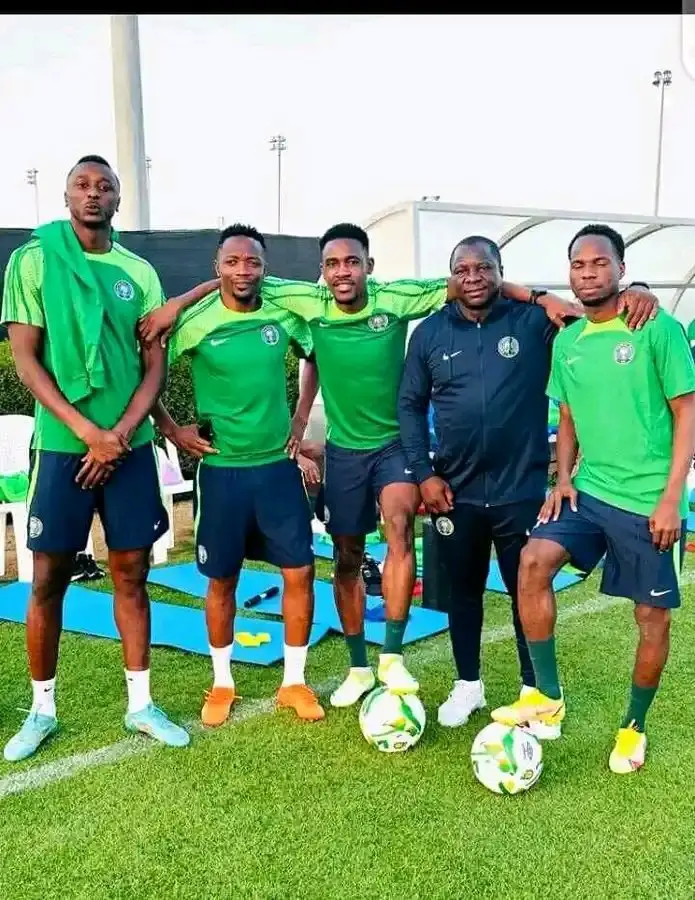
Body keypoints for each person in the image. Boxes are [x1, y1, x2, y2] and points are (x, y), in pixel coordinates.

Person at [139, 223, 580, 708]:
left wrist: (539, 297)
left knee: (399, 529)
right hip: (342, 452)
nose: (343, 272)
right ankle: (357, 667)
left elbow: (470, 281)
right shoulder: (305, 302)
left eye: (352, 262)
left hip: (394, 447)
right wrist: (177, 306)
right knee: (346, 556)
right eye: (332, 264)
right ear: (321, 271)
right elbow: (238, 283)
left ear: (369, 266)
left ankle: (391, 655)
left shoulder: (396, 297)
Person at [398, 235, 658, 727]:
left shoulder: (534, 322)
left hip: (521, 489)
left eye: (484, 268)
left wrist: (639, 290)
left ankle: (531, 688)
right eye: (462, 270)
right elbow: (409, 406)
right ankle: (468, 685)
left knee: (527, 587)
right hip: (454, 491)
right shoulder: (430, 332)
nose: (473, 278)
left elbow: (595, 314)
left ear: (501, 272)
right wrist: (424, 473)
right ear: (451, 277)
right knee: (463, 590)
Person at [0, 155, 189, 761]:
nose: (93, 193)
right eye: (82, 185)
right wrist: (88, 432)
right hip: (63, 448)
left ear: (117, 200)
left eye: (104, 186)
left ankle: (141, 705)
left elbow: (154, 365)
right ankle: (42, 710)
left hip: (128, 448)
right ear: (65, 197)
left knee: (131, 572)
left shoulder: (139, 271)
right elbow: (26, 360)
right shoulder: (33, 260)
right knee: (48, 578)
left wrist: (120, 434)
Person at [492, 224, 695, 775]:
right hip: (592, 491)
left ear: (621, 269)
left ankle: (634, 726)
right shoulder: (568, 341)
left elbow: (687, 412)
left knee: (651, 617)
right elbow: (567, 414)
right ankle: (547, 698)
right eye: (578, 265)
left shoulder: (656, 328)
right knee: (533, 561)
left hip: (648, 500)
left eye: (600, 263)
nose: (588, 273)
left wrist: (671, 498)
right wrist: (563, 479)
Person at [153, 224, 325, 724]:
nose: (243, 270)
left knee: (300, 571)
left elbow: (314, 356)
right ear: (217, 267)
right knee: (222, 579)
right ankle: (222, 683)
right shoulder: (195, 322)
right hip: (221, 474)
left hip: (277, 469)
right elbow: (147, 371)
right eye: (232, 262)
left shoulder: (283, 314)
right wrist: (171, 428)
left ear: (264, 268)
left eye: (253, 262)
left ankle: (294, 682)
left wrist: (300, 417)